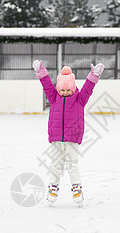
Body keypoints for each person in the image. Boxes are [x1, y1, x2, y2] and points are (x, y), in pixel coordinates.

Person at [33, 59, 104, 207]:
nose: (65, 93)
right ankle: (53, 188)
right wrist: (41, 72)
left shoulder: (79, 100)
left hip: (72, 138)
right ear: (59, 89)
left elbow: (88, 88)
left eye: (68, 90)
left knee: (72, 164)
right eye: (62, 90)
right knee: (56, 164)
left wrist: (94, 76)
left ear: (73, 88)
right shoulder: (54, 98)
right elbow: (46, 86)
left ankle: (77, 189)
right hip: (57, 138)